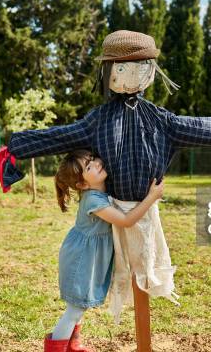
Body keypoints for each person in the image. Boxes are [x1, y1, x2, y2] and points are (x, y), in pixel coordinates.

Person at [44, 149, 165, 352]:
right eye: (89, 167)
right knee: (74, 309)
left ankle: (73, 346)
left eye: (92, 160)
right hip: (80, 258)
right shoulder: (93, 200)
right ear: (82, 184)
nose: (97, 163)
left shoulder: (100, 191)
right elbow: (126, 221)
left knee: (79, 305)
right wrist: (152, 197)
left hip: (86, 256)